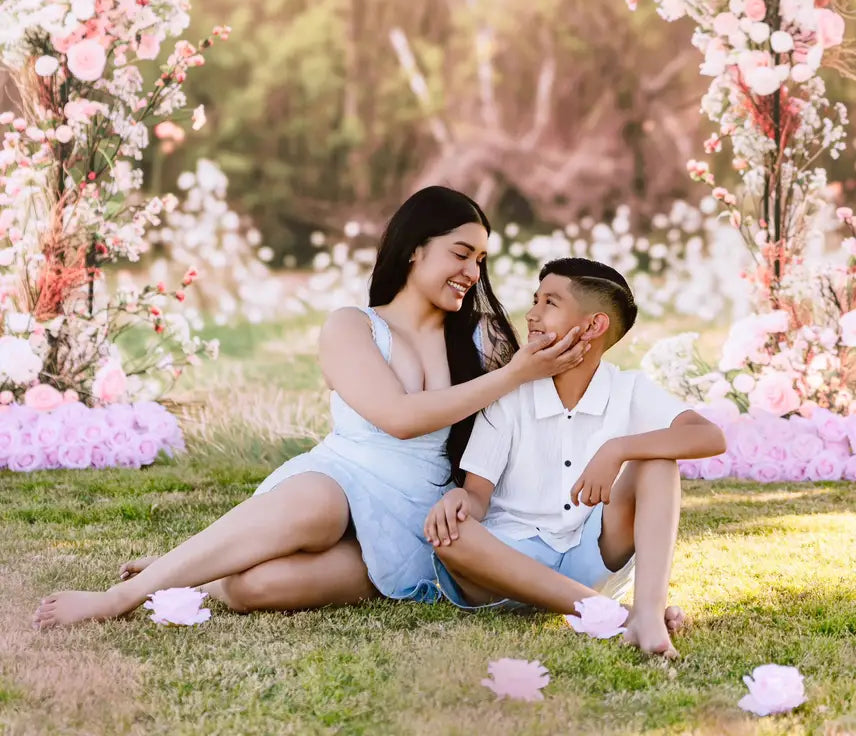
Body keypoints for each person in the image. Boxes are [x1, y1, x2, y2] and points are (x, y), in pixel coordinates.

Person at [33, 187, 589, 629]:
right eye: (460, 254)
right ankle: (121, 597)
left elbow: (529, 410)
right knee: (321, 501)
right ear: (415, 247)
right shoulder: (353, 326)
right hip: (340, 480)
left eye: (481, 259)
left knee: (254, 591)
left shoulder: (480, 341)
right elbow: (396, 417)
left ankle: (191, 575)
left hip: (414, 517)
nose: (472, 272)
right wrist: (515, 374)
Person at [424, 257, 727, 657]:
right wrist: (460, 499)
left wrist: (618, 448)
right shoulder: (508, 392)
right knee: (453, 534)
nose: (531, 314)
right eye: (535, 300)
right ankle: (615, 615)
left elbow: (710, 436)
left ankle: (649, 613)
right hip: (507, 565)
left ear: (593, 325)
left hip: (590, 555)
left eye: (550, 302)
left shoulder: (628, 389)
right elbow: (477, 498)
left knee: (656, 461)